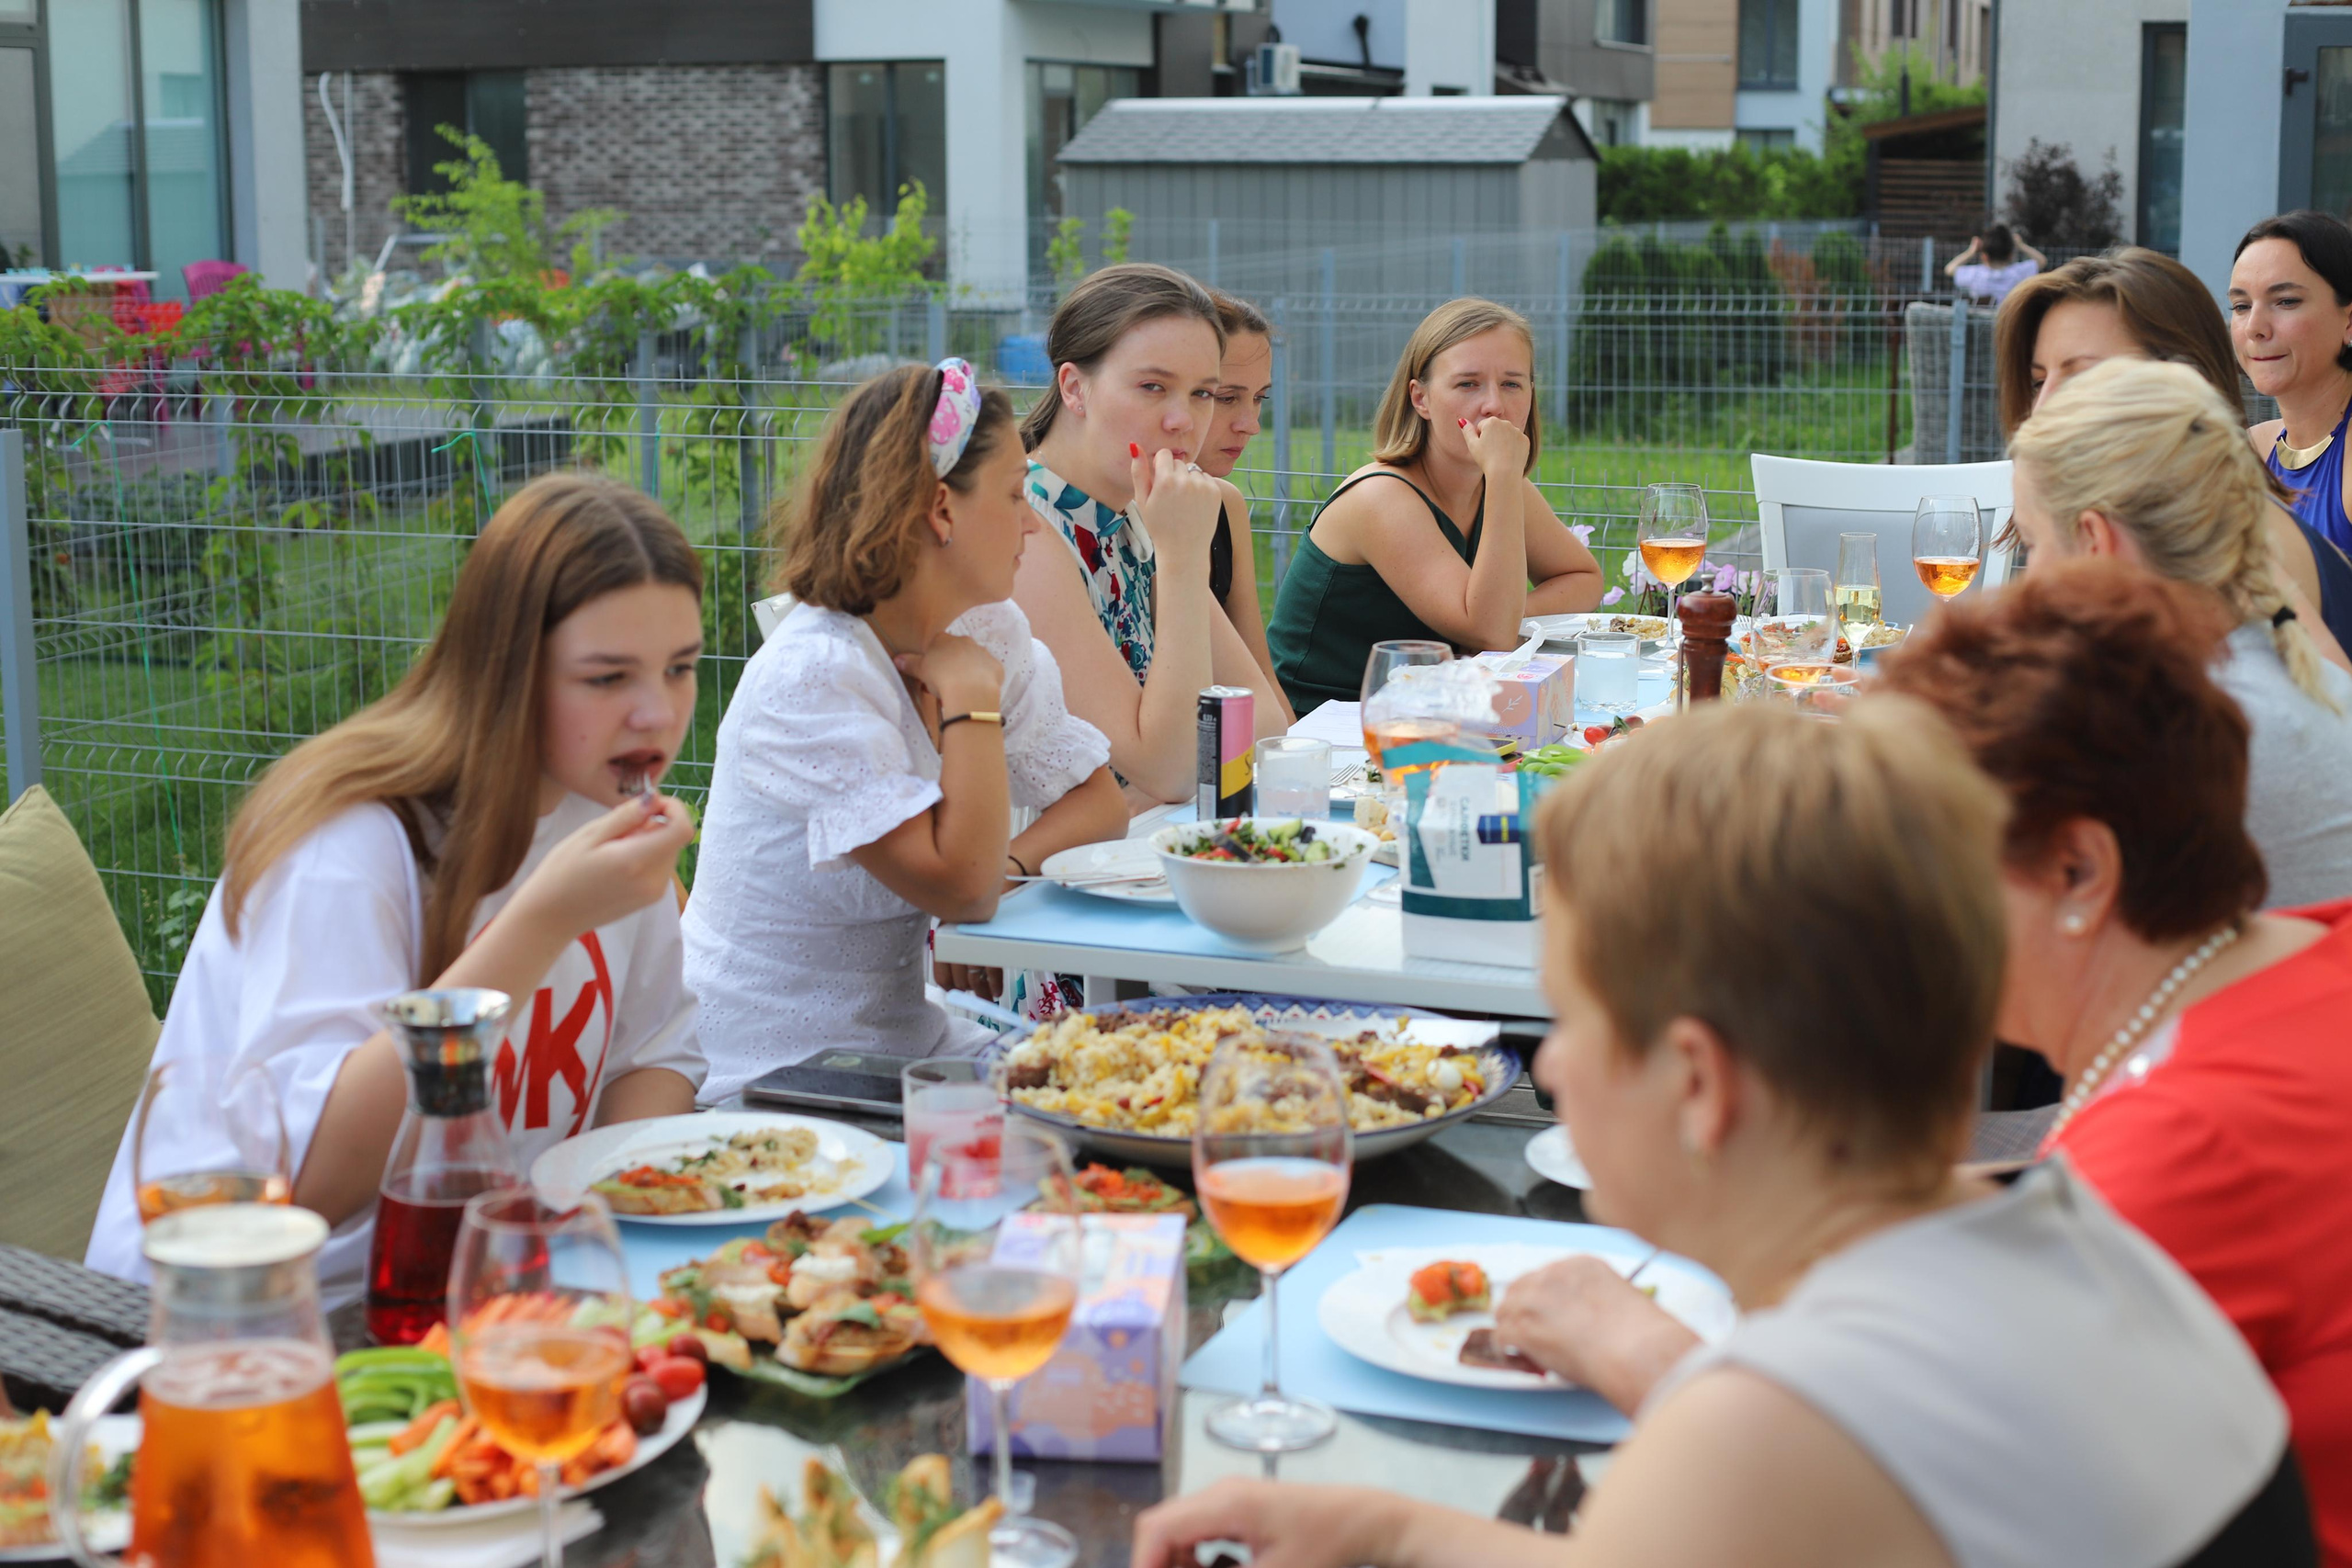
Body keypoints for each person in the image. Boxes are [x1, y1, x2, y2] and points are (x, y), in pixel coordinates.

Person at [1133, 701, 2310, 1568]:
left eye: (1573, 1019)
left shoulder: (1767, 1428)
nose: (1551, 1066)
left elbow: (1717, 1499)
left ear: (1698, 1082)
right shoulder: (2079, 1244)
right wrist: (1386, 1529)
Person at [86, 474, 709, 1303]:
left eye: (680, 668)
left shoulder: (606, 814)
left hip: (490, 1293)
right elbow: (313, 1184)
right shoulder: (352, 841)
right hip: (239, 1312)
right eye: (607, 678)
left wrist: (593, 1235)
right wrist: (544, 919)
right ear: (506, 670)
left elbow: (652, 1058)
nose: (657, 713)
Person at [1871, 559, 2352, 1564]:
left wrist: (1647, 1350)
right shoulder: (2312, 943)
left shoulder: (2183, 1147)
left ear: (2079, 869)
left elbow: (1925, 1503)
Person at [683, 361, 1125, 1101]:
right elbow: (965, 890)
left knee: (1126, 1088)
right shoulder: (816, 674)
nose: (1031, 522)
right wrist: (972, 701)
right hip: (778, 1070)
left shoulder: (986, 627)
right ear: (941, 509)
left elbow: (1098, 805)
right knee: (1084, 1120)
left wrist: (1005, 863)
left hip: (906, 1039)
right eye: (1014, 494)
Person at [2005, 357, 2352, 907]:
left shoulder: (2182, 738)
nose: (2030, 579)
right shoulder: (2280, 668)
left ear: (2095, 542)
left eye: (2032, 542)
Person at [1019, 264, 1288, 806]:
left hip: (1136, 840)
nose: (1182, 420)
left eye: (1203, 393)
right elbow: (1171, 772)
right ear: (1074, 388)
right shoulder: (1025, 529)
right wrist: (1184, 560)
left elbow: (1262, 718)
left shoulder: (1136, 513)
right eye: (1152, 387)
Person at [1995, 245, 2352, 650]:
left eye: (2085, 379)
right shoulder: (2150, 525)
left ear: (2185, 382)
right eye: (2039, 382)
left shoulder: (2221, 544)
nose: (2043, 408)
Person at [1264, 299, 1602, 716]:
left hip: (1435, 716)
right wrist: (1502, 477)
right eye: (1468, 384)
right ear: (1420, 398)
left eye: (1512, 384)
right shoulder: (1381, 497)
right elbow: (1492, 634)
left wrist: (1517, 611)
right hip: (1330, 727)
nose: (1494, 405)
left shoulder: (1501, 486)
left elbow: (1583, 578)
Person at [2234, 211, 2352, 557]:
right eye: (2240, 305)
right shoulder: (2250, 449)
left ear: (2349, 321)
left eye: (2286, 301)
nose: (2254, 327)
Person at [1194, 288, 1287, 710]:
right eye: (1227, 398)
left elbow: (1260, 677)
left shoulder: (1223, 504)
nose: (1251, 424)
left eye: (1259, 398)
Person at [1946, 220, 2046, 305]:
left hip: (1980, 320)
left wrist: (1971, 251)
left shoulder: (1975, 274)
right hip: (2009, 319)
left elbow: (1949, 269)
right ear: (2010, 255)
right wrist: (2021, 245)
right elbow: (2042, 261)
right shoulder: (2017, 272)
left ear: (1984, 256)